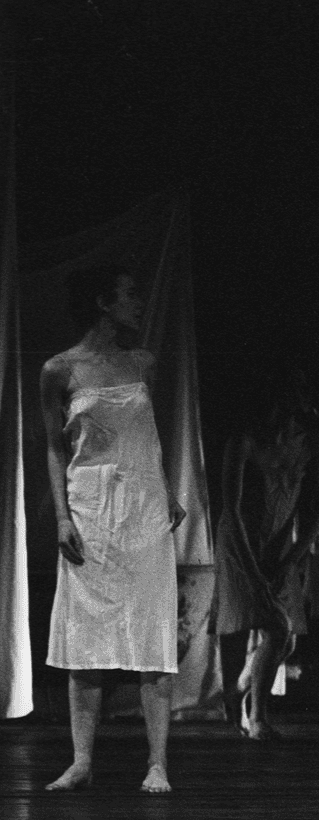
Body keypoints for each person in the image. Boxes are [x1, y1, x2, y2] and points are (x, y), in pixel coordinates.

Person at [41, 267, 185, 792]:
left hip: (144, 511)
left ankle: (157, 764)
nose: (139, 304)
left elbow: (148, 435)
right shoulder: (59, 369)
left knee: (152, 633)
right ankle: (81, 762)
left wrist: (166, 488)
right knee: (87, 635)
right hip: (90, 512)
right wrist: (60, 517)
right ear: (104, 302)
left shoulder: (141, 363)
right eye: (131, 294)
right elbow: (55, 449)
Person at [212, 374, 319, 740]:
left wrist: (289, 559)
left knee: (286, 636)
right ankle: (258, 716)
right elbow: (231, 511)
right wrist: (253, 571)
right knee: (276, 628)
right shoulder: (244, 442)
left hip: (279, 545)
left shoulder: (310, 444)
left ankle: (235, 692)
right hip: (240, 544)